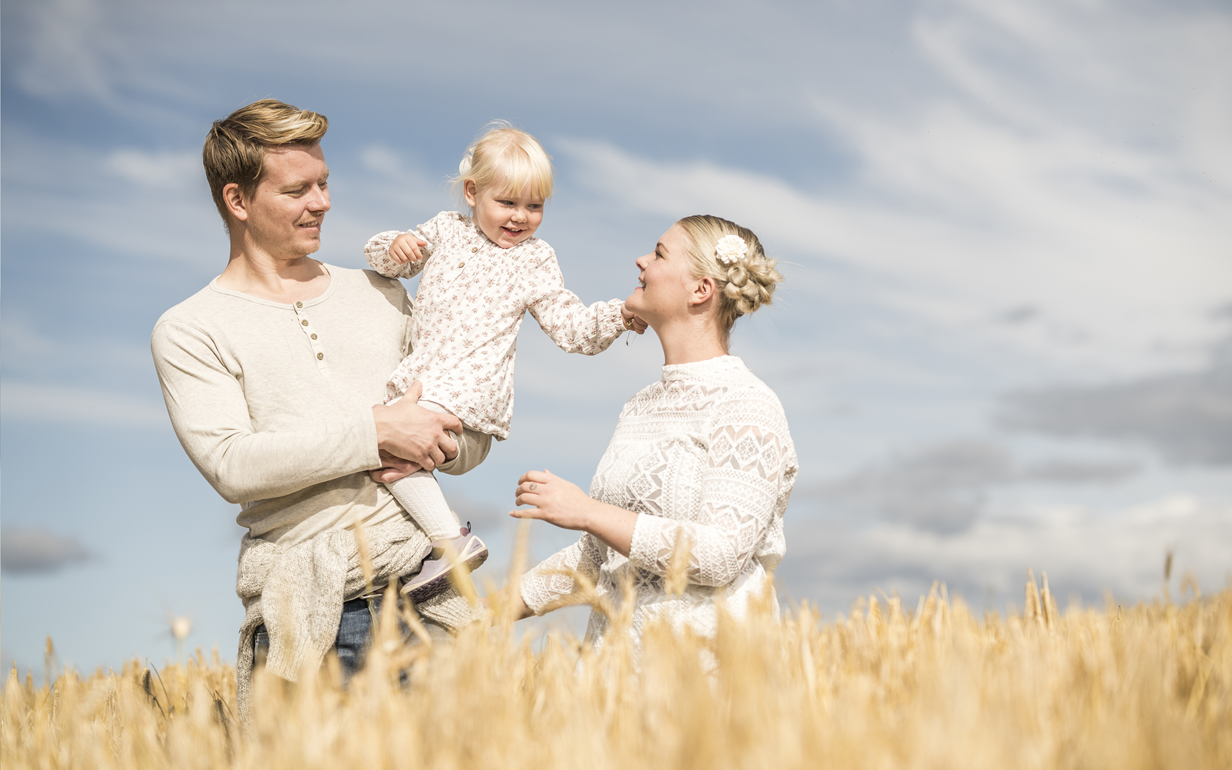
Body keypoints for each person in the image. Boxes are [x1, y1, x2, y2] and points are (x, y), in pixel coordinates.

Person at [150, 99, 477, 730]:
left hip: (426, 590)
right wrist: (377, 433)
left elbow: (458, 430)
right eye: (298, 189)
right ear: (238, 201)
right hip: (310, 608)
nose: (322, 203)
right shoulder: (190, 328)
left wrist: (444, 440)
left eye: (324, 183)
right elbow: (231, 465)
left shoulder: (382, 292)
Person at [363, 124, 647, 601]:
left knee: (393, 449)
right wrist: (393, 246)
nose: (521, 217)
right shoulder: (444, 230)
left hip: (470, 393)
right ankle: (425, 553)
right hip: (421, 381)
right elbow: (386, 262)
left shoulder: (535, 260)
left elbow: (570, 327)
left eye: (534, 206)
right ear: (472, 193)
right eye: (508, 203)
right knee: (382, 455)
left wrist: (619, 315)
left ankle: (449, 542)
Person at [507, 215, 798, 644]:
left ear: (701, 290)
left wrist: (587, 511)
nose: (641, 260)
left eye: (659, 253)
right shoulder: (640, 406)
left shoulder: (745, 402)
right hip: (613, 678)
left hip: (707, 675)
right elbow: (597, 559)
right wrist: (481, 615)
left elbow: (721, 555)